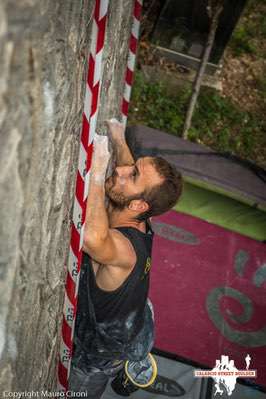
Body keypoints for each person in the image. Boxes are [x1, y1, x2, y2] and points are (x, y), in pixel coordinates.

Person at [69, 119, 183, 398]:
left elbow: (92, 239)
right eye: (133, 166)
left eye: (131, 175)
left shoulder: (125, 250)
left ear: (138, 206)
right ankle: (138, 357)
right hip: (137, 319)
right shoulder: (141, 215)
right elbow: (132, 173)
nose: (120, 169)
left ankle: (126, 372)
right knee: (138, 322)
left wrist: (96, 172)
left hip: (101, 353)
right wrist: (118, 139)